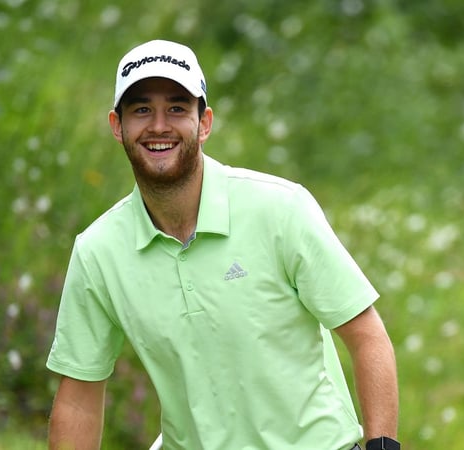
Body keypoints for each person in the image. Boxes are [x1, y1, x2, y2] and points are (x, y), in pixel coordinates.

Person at [46, 39, 400, 450]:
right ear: (116, 126)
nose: (159, 125)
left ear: (204, 123)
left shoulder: (280, 208)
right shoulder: (98, 251)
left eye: (177, 108)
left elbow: (366, 335)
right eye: (142, 109)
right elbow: (79, 398)